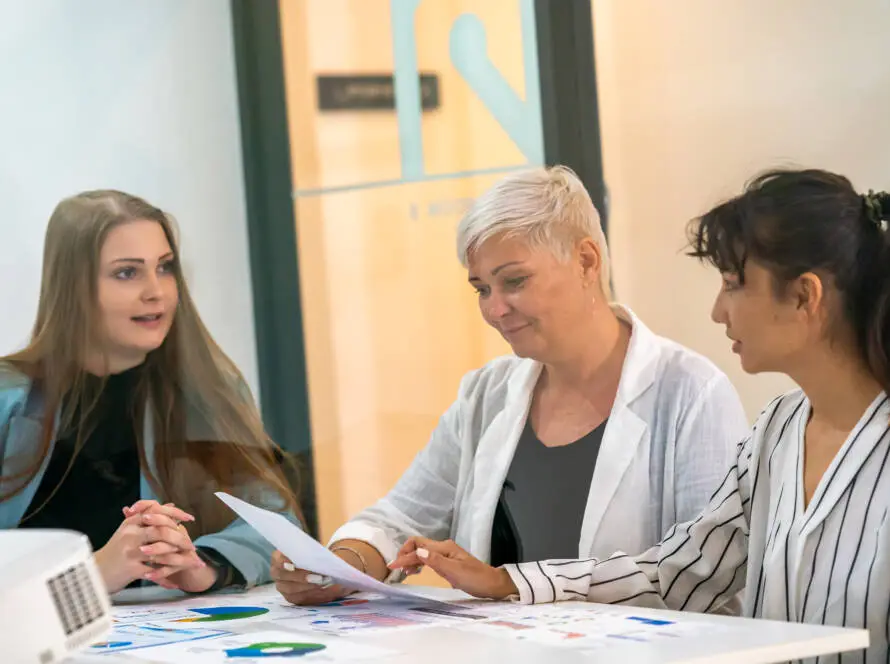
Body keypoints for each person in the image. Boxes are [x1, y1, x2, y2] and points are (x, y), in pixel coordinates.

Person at [391, 168, 890, 661]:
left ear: (805, 296)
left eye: (734, 284)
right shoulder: (778, 430)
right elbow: (680, 572)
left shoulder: (695, 391)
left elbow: (711, 602)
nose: (718, 311)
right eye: (482, 289)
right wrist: (506, 581)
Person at [271, 165, 748, 607]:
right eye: (481, 289)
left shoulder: (690, 393)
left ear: (586, 261)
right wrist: (337, 567)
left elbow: (701, 575)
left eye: (514, 281)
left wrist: (514, 583)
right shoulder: (487, 393)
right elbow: (398, 521)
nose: (495, 309)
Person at [0, 190, 300, 594]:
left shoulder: (210, 391)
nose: (156, 291)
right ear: (72, 287)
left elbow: (277, 527)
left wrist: (202, 565)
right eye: (127, 272)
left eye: (165, 267)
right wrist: (92, 574)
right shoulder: (9, 396)